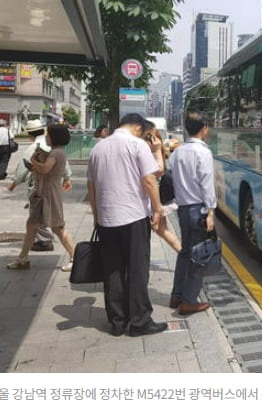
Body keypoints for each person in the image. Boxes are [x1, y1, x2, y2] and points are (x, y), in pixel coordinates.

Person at [87, 113, 167, 337]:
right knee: (137, 270)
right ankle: (140, 321)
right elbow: (149, 180)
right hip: (133, 217)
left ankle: (117, 321)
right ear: (138, 128)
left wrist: (96, 215)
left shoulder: (98, 149)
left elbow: (91, 187)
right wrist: (158, 209)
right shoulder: (137, 145)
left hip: (106, 219)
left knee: (112, 271)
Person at [7, 124, 75, 271]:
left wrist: (33, 160)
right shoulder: (57, 152)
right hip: (44, 193)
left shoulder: (56, 153)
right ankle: (22, 258)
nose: (46, 137)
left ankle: (75, 258)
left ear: (54, 137)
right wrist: (35, 165)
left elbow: (45, 169)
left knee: (58, 227)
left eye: (48, 135)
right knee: (32, 226)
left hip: (49, 195)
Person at [168, 113, 216, 316]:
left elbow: (170, 179)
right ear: (204, 128)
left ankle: (177, 294)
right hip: (198, 209)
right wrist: (211, 211)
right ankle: (189, 300)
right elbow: (206, 184)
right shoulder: (202, 153)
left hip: (183, 209)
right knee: (199, 256)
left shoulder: (177, 152)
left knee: (186, 252)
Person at [142, 121, 182, 253]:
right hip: (151, 200)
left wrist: (157, 150)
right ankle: (184, 255)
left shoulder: (153, 152)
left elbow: (158, 171)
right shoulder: (153, 151)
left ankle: (185, 255)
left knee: (162, 230)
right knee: (162, 231)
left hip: (152, 201)